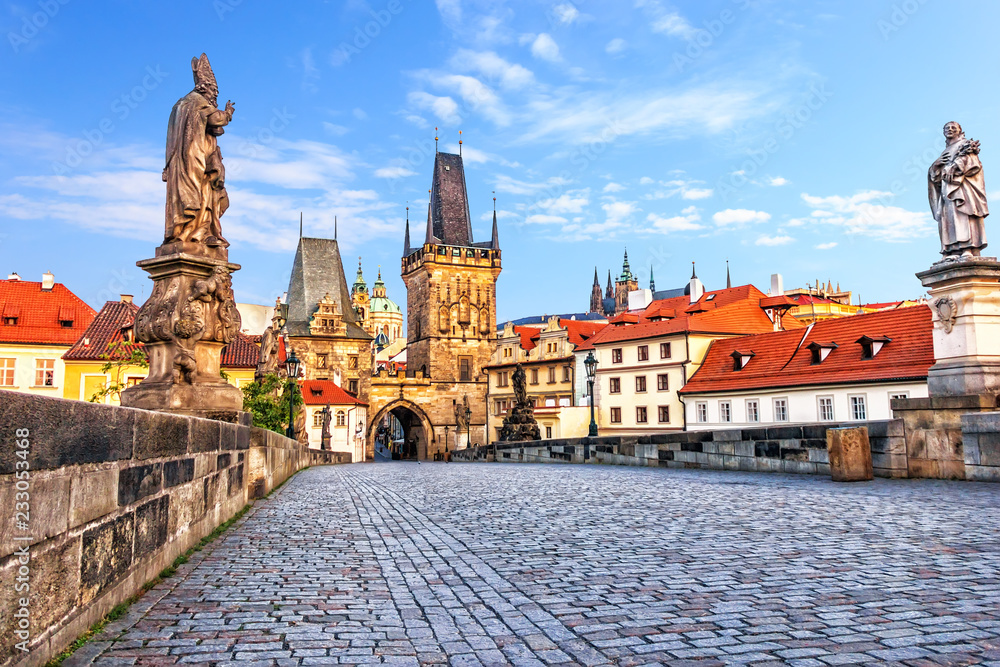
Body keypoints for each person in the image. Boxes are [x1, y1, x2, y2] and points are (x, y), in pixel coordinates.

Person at [929, 121, 989, 258]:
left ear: (959, 130)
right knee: (948, 218)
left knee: (964, 216)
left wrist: (956, 166)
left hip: (962, 188)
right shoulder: (946, 151)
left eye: (953, 127)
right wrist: (935, 166)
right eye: (947, 128)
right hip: (947, 190)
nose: (950, 129)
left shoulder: (965, 144)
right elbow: (935, 177)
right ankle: (952, 250)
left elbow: (973, 162)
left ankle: (968, 248)